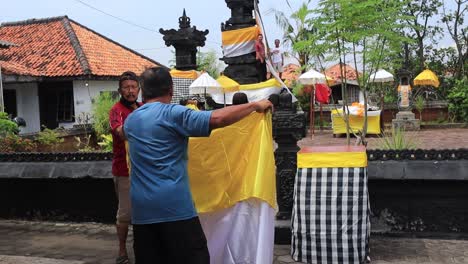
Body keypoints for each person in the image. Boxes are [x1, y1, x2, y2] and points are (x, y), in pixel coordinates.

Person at [124, 67, 273, 264]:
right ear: (170, 90)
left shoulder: (132, 121)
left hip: (142, 212)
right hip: (174, 210)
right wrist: (255, 105)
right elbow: (218, 118)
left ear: (143, 90)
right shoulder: (173, 114)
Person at [109, 71, 142, 264]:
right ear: (120, 90)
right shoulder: (116, 111)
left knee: (143, 212)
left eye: (133, 87)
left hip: (144, 169)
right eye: (126, 87)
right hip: (124, 170)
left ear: (139, 89)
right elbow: (120, 132)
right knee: (125, 214)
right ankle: (122, 251)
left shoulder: (142, 107)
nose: (130, 91)